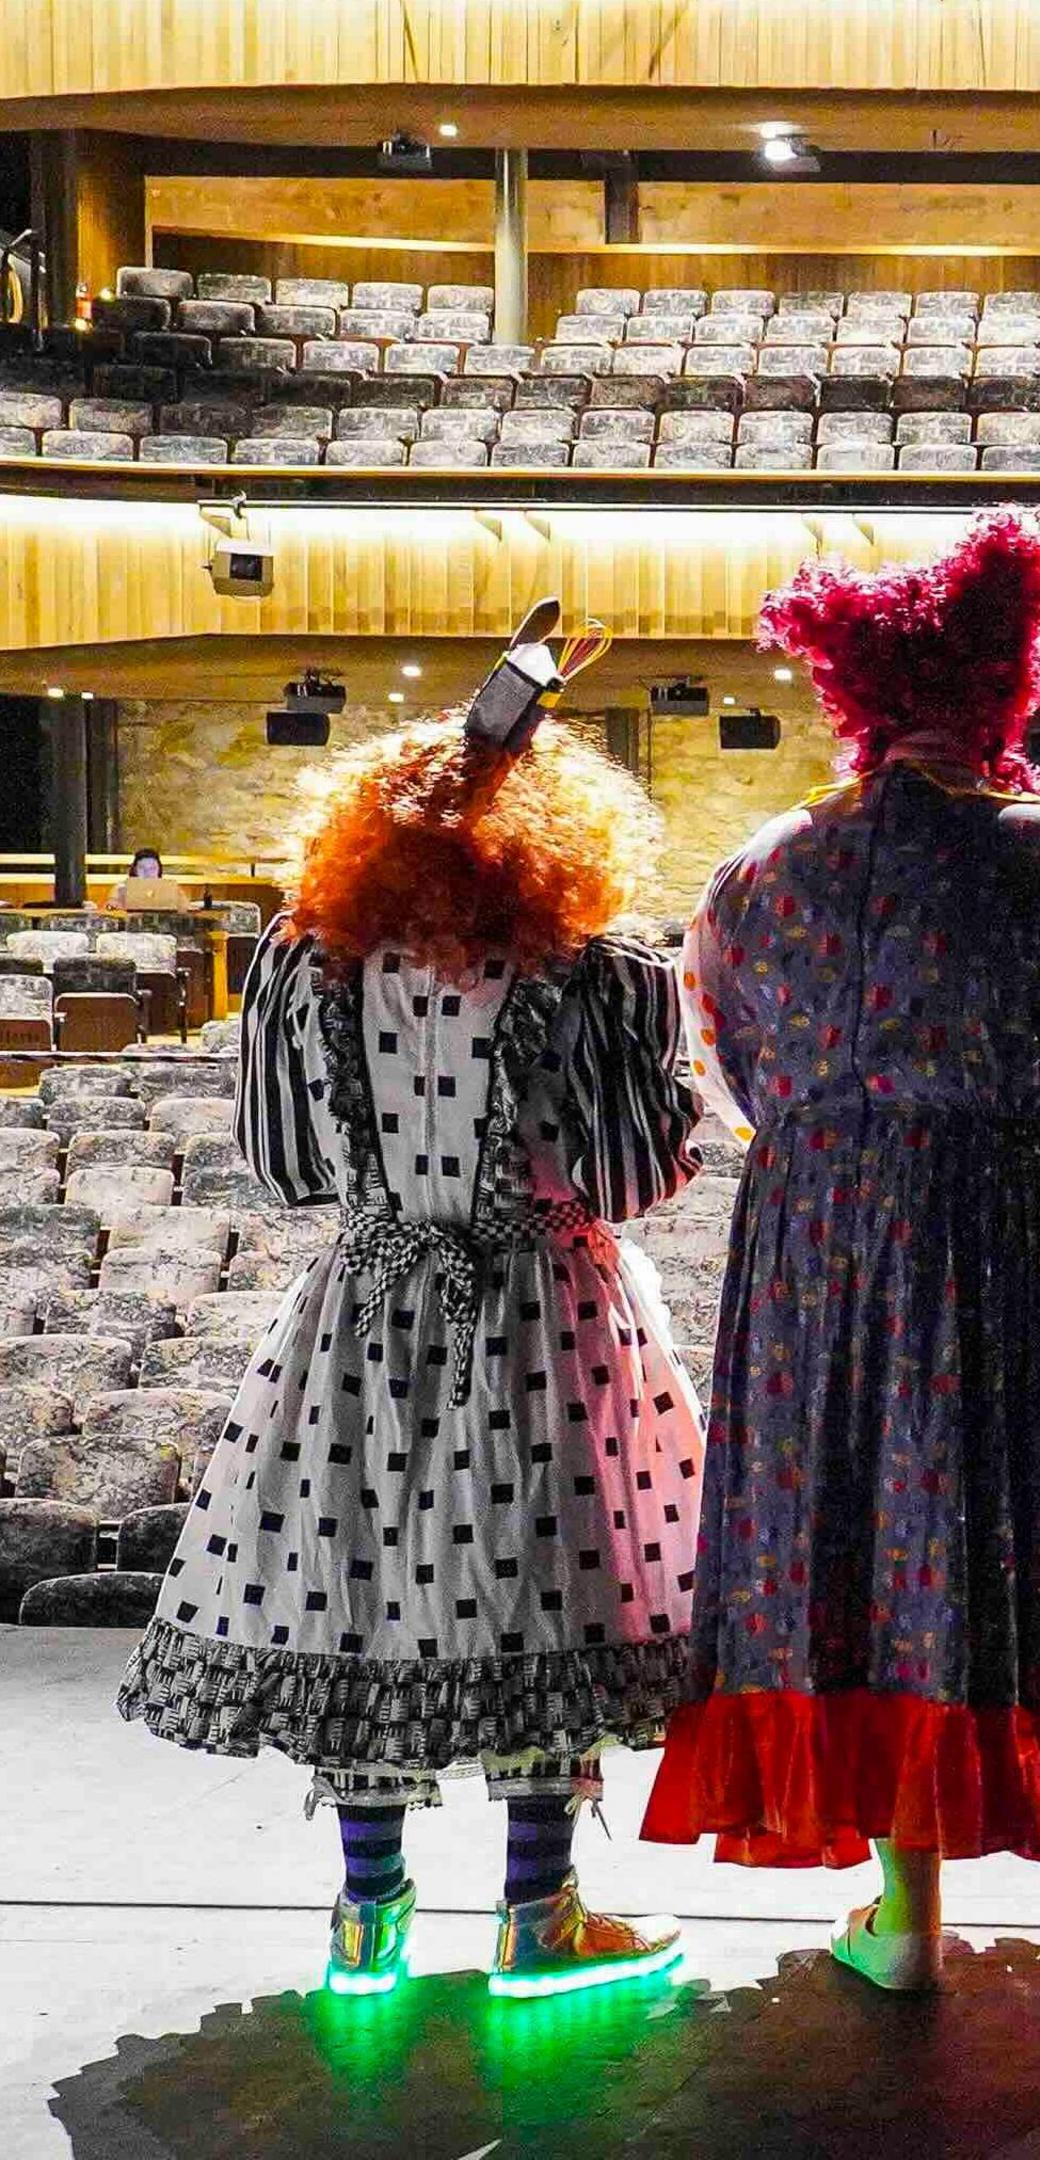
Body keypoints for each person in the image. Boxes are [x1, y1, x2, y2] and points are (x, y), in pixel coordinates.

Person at [637, 511, 1040, 1992]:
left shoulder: (756, 870)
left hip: (817, 1252)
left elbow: (720, 1072)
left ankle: (900, 1925)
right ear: (1006, 691)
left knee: (864, 1539)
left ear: (852, 702)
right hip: (1013, 1236)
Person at [117, 667, 708, 2001]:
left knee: (364, 1576)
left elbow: (282, 1169)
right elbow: (628, 1178)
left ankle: (366, 1917)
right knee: (555, 1573)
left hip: (364, 1306)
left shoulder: (302, 964)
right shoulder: (600, 972)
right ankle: (538, 1909)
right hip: (547, 1308)